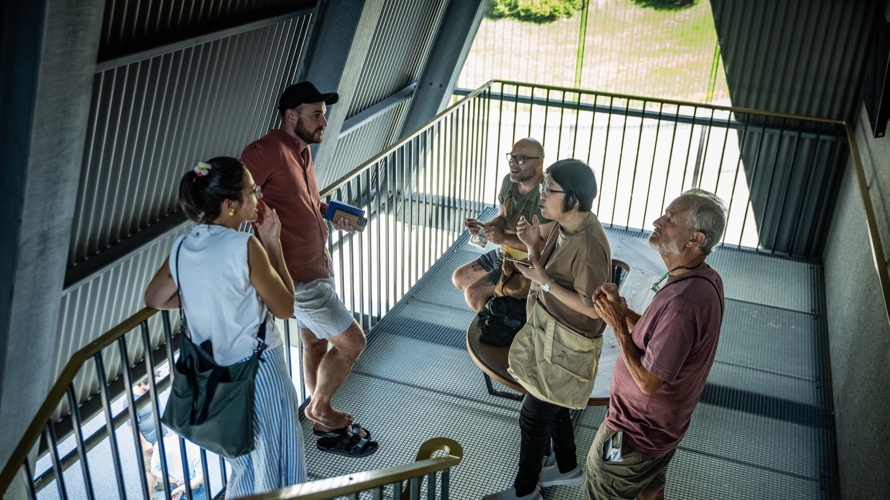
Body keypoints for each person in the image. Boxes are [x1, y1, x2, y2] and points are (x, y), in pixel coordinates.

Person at [144, 156, 306, 496]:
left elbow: (155, 298)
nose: (259, 197)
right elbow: (285, 307)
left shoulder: (184, 245)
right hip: (259, 372)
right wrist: (272, 242)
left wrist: (208, 298)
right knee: (279, 464)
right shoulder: (243, 245)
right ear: (230, 204)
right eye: (252, 190)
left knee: (244, 465)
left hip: (215, 375)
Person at [241, 81, 378, 457]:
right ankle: (319, 408)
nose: (324, 122)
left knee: (315, 342)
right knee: (352, 342)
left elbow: (306, 201)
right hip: (297, 275)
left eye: (324, 114)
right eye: (316, 114)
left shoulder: (301, 152)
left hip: (315, 264)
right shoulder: (265, 151)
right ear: (291, 115)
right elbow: (234, 197)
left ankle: (322, 419)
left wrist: (329, 213)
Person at [584, 189, 727, 500]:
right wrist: (623, 312)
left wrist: (617, 325)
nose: (657, 221)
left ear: (695, 239)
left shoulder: (683, 303)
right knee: (650, 489)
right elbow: (661, 337)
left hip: (632, 437)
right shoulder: (704, 278)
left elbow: (648, 382)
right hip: (662, 431)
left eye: (670, 219)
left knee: (604, 479)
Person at [484, 159, 612, 500]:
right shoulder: (565, 223)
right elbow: (548, 270)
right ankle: (567, 467)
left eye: (548, 189)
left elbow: (594, 308)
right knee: (554, 405)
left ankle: (524, 492)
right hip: (551, 334)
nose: (541, 195)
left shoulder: (590, 245)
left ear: (573, 198)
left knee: (533, 417)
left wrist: (545, 283)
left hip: (567, 345)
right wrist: (531, 246)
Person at [452, 138, 552, 311]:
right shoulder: (509, 181)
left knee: (473, 295)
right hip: (504, 253)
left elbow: (544, 247)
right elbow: (503, 217)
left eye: (520, 159)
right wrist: (484, 227)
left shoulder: (546, 195)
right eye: (512, 157)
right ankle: (501, 307)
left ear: (539, 163)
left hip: (527, 261)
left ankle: (498, 319)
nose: (512, 163)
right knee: (459, 277)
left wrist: (503, 238)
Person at [123, 372, 166, 490]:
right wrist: (145, 443)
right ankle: (150, 496)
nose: (155, 385)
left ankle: (155, 485)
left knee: (157, 463)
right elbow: (131, 426)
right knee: (150, 469)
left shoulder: (149, 389)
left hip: (160, 435)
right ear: (142, 383)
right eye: (152, 383)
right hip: (149, 441)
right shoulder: (130, 402)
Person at [150, 432, 205, 500]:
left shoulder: (160, 444)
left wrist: (176, 482)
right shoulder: (196, 446)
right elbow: (201, 478)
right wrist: (181, 488)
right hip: (194, 488)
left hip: (173, 487)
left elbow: (154, 470)